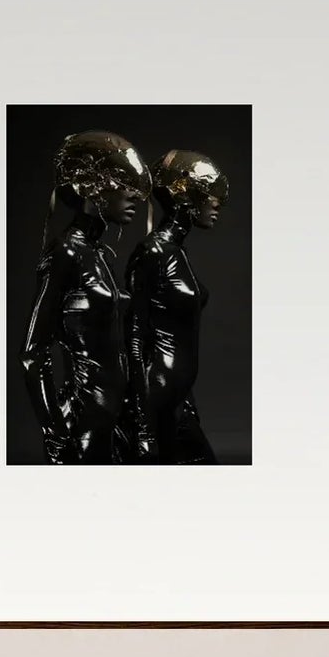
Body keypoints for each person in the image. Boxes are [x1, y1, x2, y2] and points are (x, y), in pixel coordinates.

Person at [18, 130, 149, 464]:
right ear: (91, 187)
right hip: (83, 426)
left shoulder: (100, 255)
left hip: (118, 423)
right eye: (122, 182)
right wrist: (55, 434)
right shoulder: (65, 253)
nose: (134, 195)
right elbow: (33, 353)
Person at [124, 149, 228, 465]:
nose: (216, 203)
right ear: (186, 197)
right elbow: (134, 336)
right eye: (209, 193)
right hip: (157, 403)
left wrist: (188, 399)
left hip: (178, 399)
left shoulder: (175, 252)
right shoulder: (153, 252)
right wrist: (144, 427)